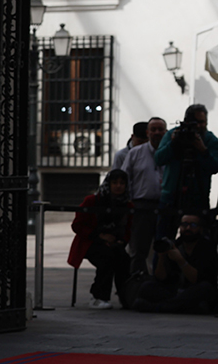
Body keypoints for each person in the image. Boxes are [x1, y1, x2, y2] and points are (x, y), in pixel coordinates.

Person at [67, 169, 133, 309]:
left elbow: (129, 229)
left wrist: (121, 241)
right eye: (114, 183)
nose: (118, 186)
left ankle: (126, 296)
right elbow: (77, 225)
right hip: (90, 242)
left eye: (122, 183)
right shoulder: (92, 201)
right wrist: (100, 236)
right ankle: (98, 296)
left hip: (115, 243)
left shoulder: (128, 205)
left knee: (123, 259)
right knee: (106, 258)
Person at [154, 104, 218, 240]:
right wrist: (172, 144)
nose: (200, 126)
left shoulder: (210, 140)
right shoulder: (173, 135)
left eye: (203, 122)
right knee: (163, 239)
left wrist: (203, 150)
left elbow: (215, 167)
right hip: (171, 196)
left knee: (200, 241)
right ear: (187, 121)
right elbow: (159, 159)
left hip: (198, 196)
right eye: (196, 122)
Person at [132, 214, 217, 314]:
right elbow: (161, 278)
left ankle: (159, 308)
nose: (188, 228)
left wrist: (180, 260)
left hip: (195, 290)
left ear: (200, 229)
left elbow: (195, 279)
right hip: (176, 291)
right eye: (184, 225)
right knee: (147, 287)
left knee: (204, 288)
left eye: (193, 225)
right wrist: (161, 257)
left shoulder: (207, 248)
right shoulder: (175, 245)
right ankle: (181, 307)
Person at [119, 117, 166, 274]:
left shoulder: (171, 153)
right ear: (148, 132)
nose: (157, 132)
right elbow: (125, 179)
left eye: (160, 129)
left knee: (164, 248)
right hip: (141, 206)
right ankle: (136, 287)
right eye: (153, 129)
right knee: (139, 249)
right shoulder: (135, 153)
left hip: (165, 206)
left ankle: (162, 286)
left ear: (165, 132)